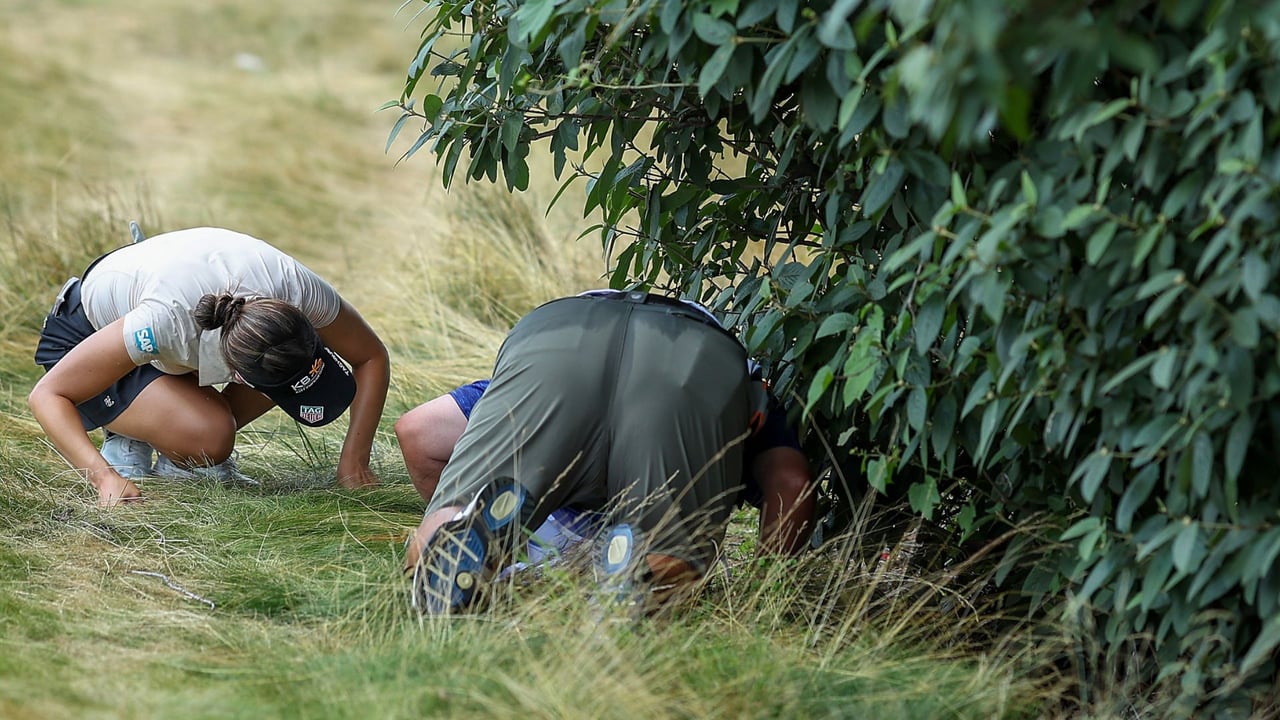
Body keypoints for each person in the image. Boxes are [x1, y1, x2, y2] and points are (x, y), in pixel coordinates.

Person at [401, 290, 815, 614]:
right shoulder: (748, 387)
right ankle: (639, 571)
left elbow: (418, 432)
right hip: (693, 359)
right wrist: (765, 597)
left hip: (558, 340)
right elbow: (792, 483)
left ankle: (457, 535)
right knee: (666, 552)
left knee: (457, 517)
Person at [28, 226, 390, 507]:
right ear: (237, 375)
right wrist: (104, 479)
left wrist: (354, 462)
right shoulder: (164, 323)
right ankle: (134, 435)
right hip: (86, 336)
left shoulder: (298, 292)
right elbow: (48, 395)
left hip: (169, 327)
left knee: (277, 371)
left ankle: (179, 453)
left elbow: (371, 356)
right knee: (210, 436)